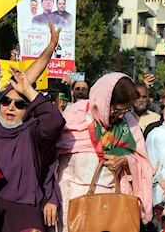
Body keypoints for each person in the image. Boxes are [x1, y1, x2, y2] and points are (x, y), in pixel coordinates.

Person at [56, 73, 154, 230]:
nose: (120, 116)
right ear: (103, 103)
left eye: (126, 111)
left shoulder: (128, 124)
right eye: (116, 111)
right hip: (71, 205)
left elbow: (143, 162)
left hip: (110, 208)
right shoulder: (74, 117)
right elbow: (50, 159)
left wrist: (125, 160)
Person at [0, 65, 65, 231]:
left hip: (26, 212)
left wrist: (28, 90)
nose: (11, 107)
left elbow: (55, 122)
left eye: (20, 104)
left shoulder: (33, 133)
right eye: (6, 102)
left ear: (28, 110)